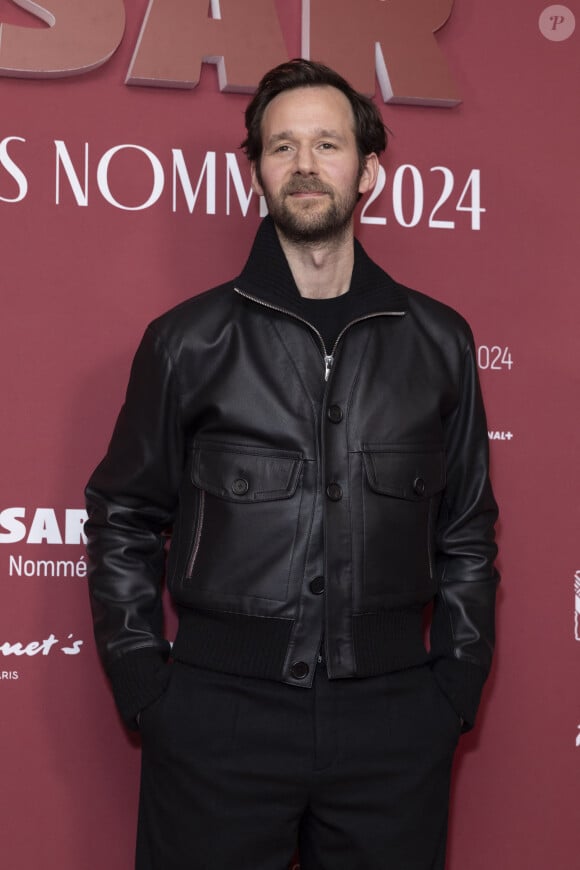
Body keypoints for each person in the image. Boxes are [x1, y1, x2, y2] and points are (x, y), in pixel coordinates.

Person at [85, 58, 499, 870]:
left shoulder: (439, 341)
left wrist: (453, 685)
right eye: (282, 147)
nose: (305, 165)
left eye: (327, 143)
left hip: (395, 724)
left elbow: (468, 533)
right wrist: (147, 684)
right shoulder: (187, 341)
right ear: (259, 172)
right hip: (216, 722)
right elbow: (123, 517)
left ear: (369, 169)